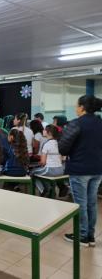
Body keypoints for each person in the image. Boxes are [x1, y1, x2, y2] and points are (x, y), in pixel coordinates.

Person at [59, 95, 102, 247]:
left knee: (80, 204)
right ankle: (90, 235)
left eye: (76, 106)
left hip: (79, 169)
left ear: (82, 107)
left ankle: (82, 235)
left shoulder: (75, 124)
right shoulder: (100, 123)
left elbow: (63, 147)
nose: (75, 108)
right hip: (97, 169)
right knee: (91, 203)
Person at [31, 125, 65, 197]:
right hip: (61, 170)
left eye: (44, 130)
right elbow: (61, 159)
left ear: (48, 133)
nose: (43, 131)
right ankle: (50, 189)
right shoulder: (59, 143)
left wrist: (38, 164)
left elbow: (43, 162)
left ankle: (44, 189)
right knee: (42, 172)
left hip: (50, 170)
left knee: (32, 172)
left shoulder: (46, 144)